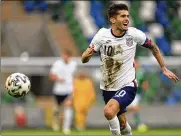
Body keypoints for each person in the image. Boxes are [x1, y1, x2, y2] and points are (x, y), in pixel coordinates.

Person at [81, 3, 179, 135]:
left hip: (128, 85)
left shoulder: (134, 34)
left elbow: (154, 47)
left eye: (127, 16)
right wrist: (86, 56)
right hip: (108, 87)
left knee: (109, 111)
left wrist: (164, 68)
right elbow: (84, 58)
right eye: (122, 16)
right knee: (122, 124)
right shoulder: (102, 35)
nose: (127, 18)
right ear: (112, 19)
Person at [49, 49, 77, 135]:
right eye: (63, 55)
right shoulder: (57, 64)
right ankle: (55, 123)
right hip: (58, 90)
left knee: (68, 107)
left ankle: (66, 128)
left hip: (68, 90)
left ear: (69, 56)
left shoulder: (74, 64)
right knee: (57, 110)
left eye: (66, 55)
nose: (64, 57)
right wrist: (58, 79)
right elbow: (51, 76)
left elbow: (74, 76)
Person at [127, 59, 149, 133]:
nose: (136, 65)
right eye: (134, 63)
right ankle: (139, 124)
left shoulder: (141, 73)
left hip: (137, 94)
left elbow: (145, 84)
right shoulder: (129, 73)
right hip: (129, 93)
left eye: (137, 63)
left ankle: (139, 124)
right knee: (135, 109)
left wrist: (144, 91)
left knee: (135, 108)